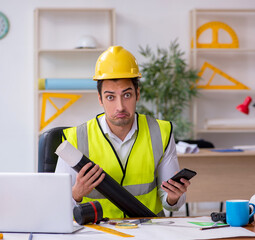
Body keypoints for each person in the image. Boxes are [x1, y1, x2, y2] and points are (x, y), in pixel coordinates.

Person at [55, 46, 191, 218]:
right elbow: (56, 206)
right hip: (99, 234)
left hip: (148, 232)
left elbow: (172, 205)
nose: (120, 106)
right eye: (110, 97)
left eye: (126, 95)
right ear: (100, 99)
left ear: (137, 94)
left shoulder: (161, 132)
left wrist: (172, 198)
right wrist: (76, 193)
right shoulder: (75, 139)